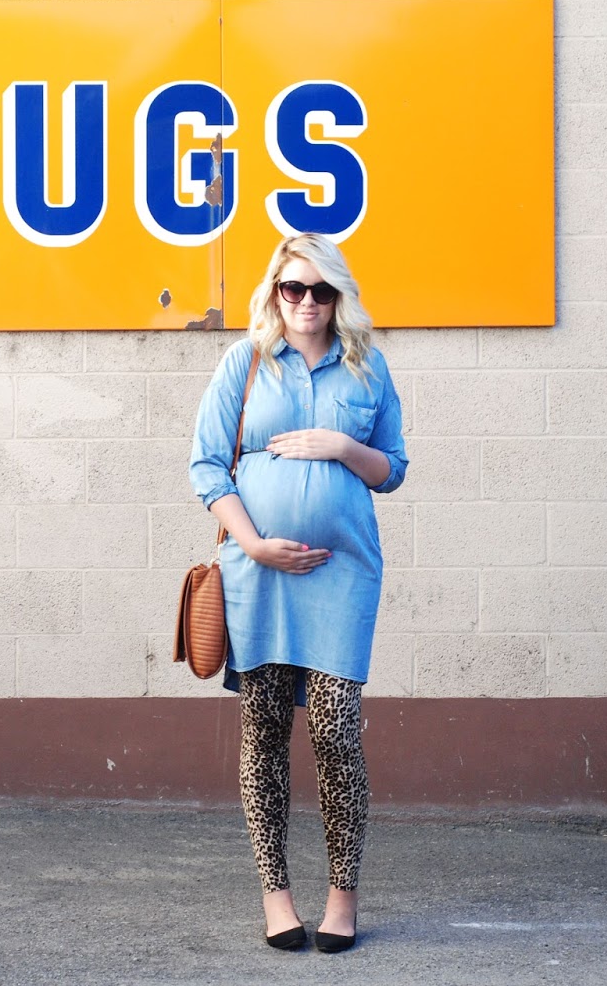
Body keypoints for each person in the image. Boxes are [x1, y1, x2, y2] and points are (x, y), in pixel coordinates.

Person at [188, 233, 408, 954]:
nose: (306, 303)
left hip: (342, 575)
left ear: (337, 296)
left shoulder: (366, 368)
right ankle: (276, 893)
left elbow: (393, 469)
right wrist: (253, 543)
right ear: (274, 292)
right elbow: (206, 466)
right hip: (258, 578)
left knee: (337, 731)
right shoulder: (243, 363)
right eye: (293, 289)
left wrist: (341, 447)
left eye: (320, 290)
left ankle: (343, 894)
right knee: (265, 731)